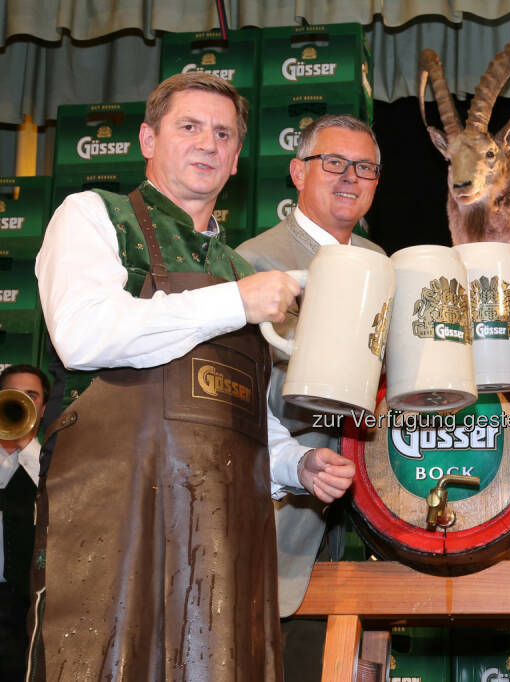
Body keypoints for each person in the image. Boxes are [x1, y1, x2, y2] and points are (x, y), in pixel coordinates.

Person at [28, 72, 354, 681]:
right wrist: (236, 303)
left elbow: (245, 409)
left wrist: (295, 465)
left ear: (235, 159)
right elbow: (84, 334)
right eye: (189, 126)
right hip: (110, 524)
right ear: (149, 139)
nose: (207, 142)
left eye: (223, 134)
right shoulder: (94, 216)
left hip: (220, 542)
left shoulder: (237, 269)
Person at [235, 113, 384, 673]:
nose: (350, 177)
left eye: (365, 167)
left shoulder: (380, 263)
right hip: (282, 525)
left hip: (366, 514)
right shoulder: (253, 262)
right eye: (335, 163)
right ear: (299, 173)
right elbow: (238, 404)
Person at [0, 364, 47, 681]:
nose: (23, 402)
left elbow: (50, 493)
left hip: (21, 603)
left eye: (31, 396)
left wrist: (25, 446)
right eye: (13, 395)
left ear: (42, 408)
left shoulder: (51, 462)